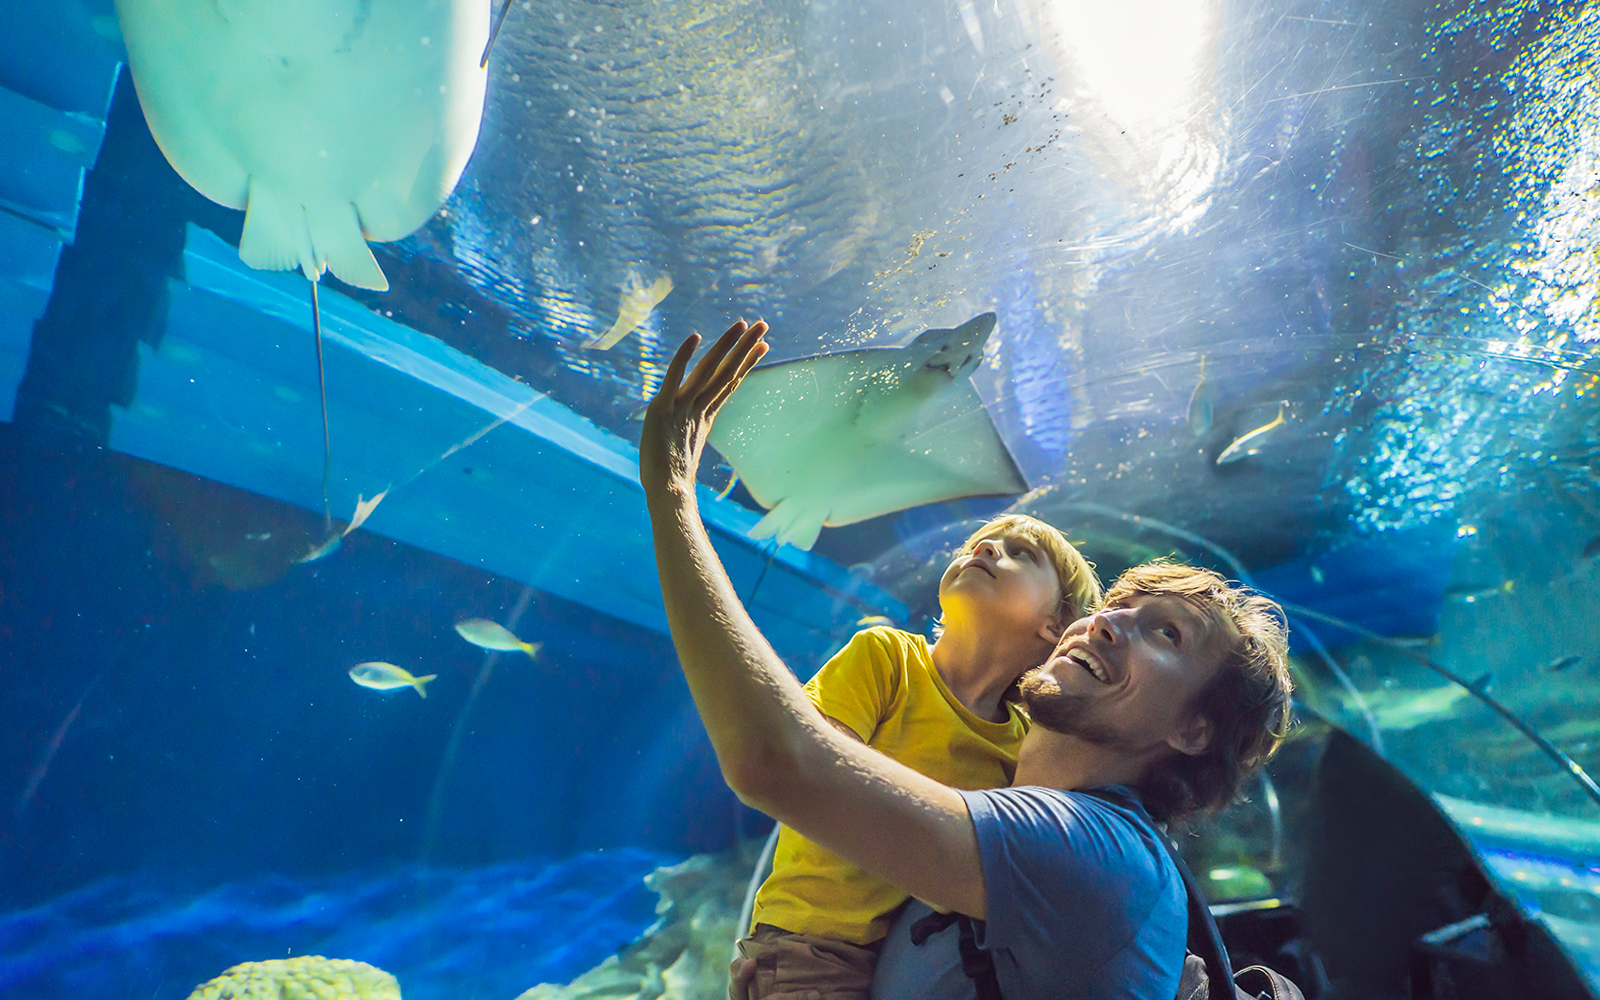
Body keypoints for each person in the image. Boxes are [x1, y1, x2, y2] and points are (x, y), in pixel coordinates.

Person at [640, 321, 1293, 1000]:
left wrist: (672, 493)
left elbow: (778, 760)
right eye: (1116, 605)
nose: (1106, 623)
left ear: (1193, 730)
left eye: (1168, 635)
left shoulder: (1092, 856)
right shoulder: (1030, 831)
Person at [738, 511, 1102, 1000]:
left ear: (1056, 624)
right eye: (979, 543)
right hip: (814, 947)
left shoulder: (1024, 743)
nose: (987, 548)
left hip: (920, 965)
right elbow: (814, 770)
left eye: (1021, 553)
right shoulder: (886, 656)